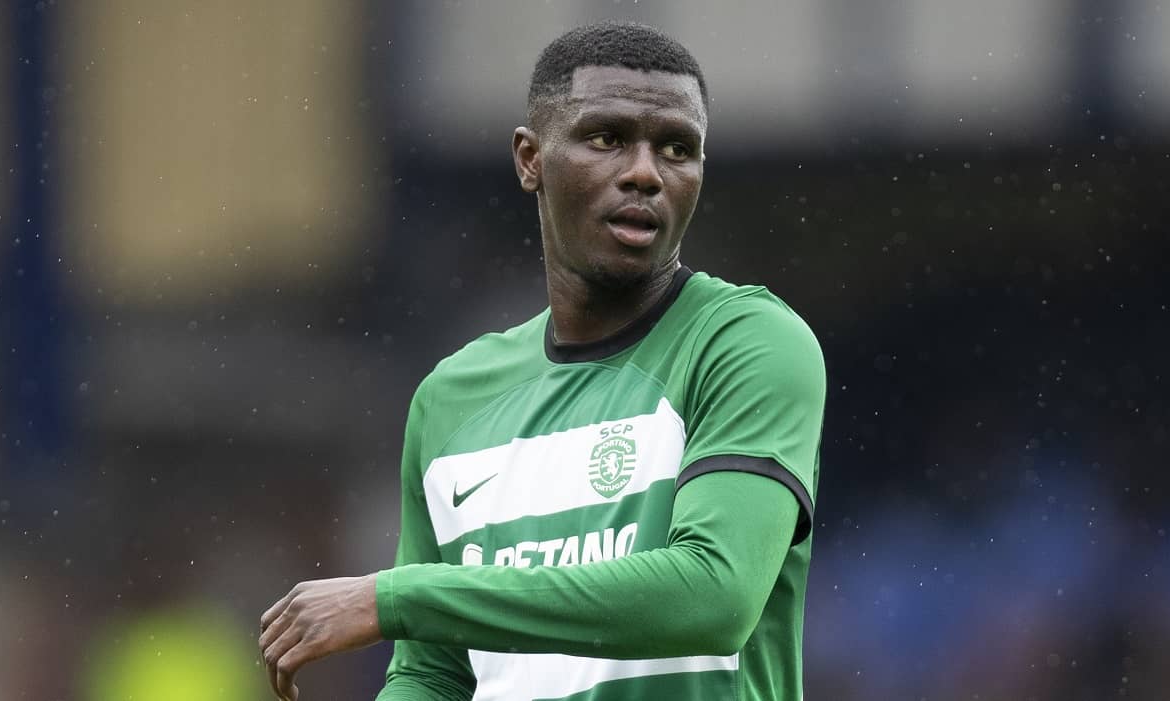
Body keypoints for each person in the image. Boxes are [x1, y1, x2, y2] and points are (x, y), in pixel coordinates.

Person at [259, 21, 825, 701]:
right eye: (607, 138)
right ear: (530, 160)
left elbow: (713, 597)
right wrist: (407, 612)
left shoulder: (745, 342)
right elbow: (433, 675)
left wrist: (397, 596)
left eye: (677, 148)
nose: (645, 173)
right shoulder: (452, 397)